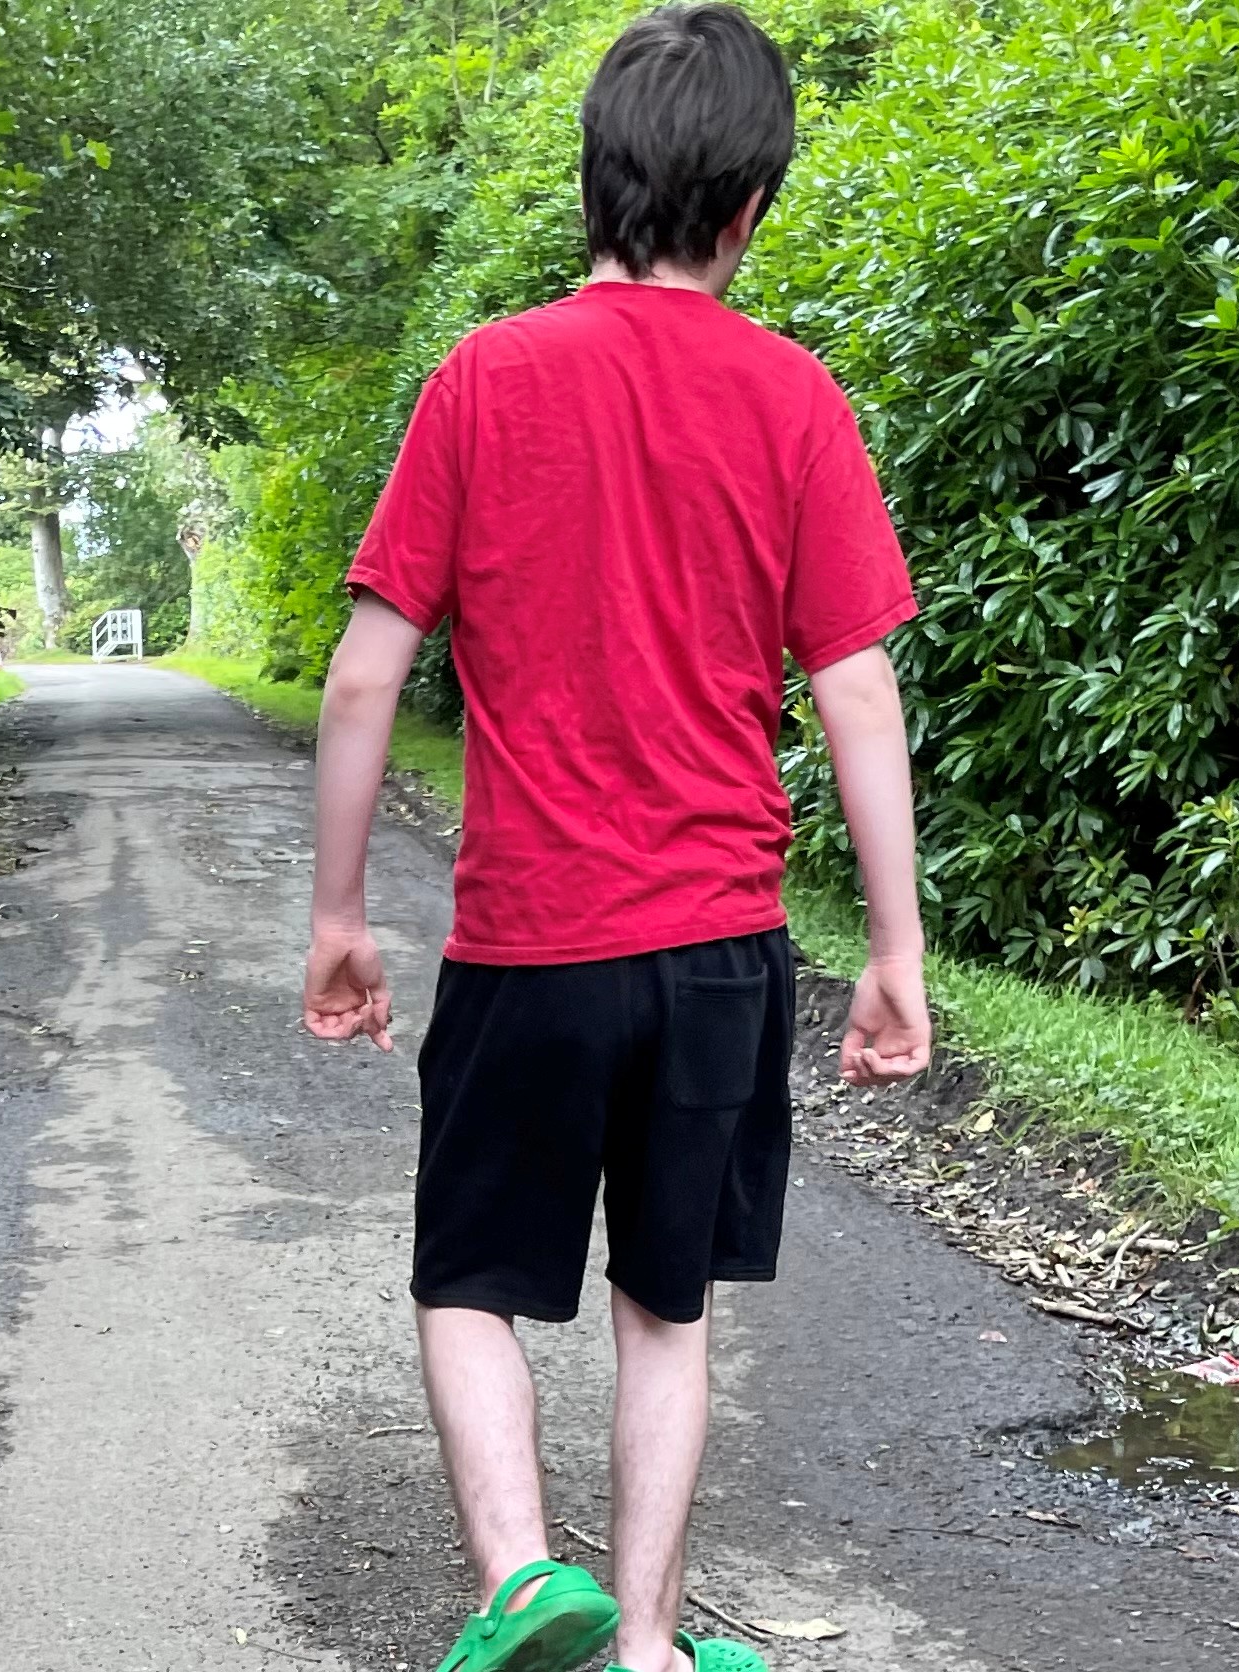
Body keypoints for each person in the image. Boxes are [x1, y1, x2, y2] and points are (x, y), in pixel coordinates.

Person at [297, 9, 934, 1672]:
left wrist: (342, 912)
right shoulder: (797, 400)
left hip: (530, 944)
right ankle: (647, 1644)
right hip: (723, 949)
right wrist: (894, 948)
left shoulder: (485, 381)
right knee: (670, 1306)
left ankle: (523, 1583)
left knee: (468, 1277)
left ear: (591, 187)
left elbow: (368, 671)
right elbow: (857, 692)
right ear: (749, 212)